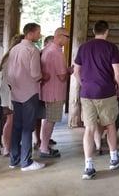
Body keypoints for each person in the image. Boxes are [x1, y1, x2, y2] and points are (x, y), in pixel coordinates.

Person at [73, 20, 119, 180]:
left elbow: (76, 71)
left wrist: (84, 84)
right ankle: (114, 159)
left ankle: (88, 167)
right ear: (106, 31)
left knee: (89, 129)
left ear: (94, 31)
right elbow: (118, 71)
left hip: (87, 92)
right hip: (106, 91)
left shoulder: (83, 47)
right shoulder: (111, 47)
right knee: (110, 125)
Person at [6, 23, 45, 172]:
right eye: (38, 32)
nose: (39, 35)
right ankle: (26, 162)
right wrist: (43, 76)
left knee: (17, 127)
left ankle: (14, 159)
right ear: (31, 33)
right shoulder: (32, 50)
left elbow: (9, 73)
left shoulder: (14, 48)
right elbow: (35, 74)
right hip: (29, 92)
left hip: (16, 92)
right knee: (28, 128)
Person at [39, 27, 70, 158]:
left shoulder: (47, 48)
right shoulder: (56, 52)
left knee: (47, 120)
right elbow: (62, 76)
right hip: (55, 92)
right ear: (59, 36)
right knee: (50, 121)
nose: (68, 40)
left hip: (47, 90)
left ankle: (43, 146)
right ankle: (44, 148)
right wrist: (69, 70)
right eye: (67, 37)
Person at [0, 34, 24, 157]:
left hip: (9, 91)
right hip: (11, 92)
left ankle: (10, 146)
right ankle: (7, 148)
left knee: (12, 120)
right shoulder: (12, 57)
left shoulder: (8, 56)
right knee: (10, 120)